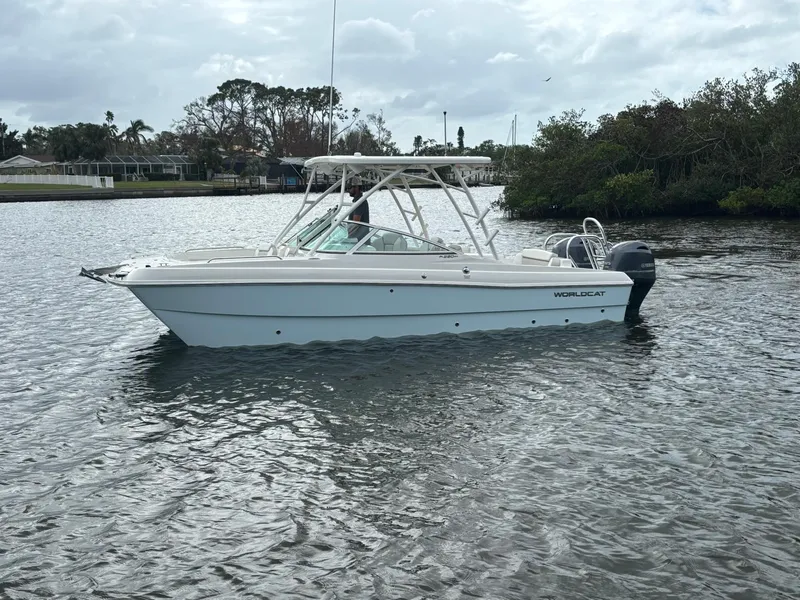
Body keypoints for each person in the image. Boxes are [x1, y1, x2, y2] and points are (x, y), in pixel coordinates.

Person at [347, 175, 370, 240]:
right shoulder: (357, 201)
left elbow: (355, 223)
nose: (348, 190)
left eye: (349, 187)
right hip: (357, 240)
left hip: (359, 242)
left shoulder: (360, 202)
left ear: (356, 187)